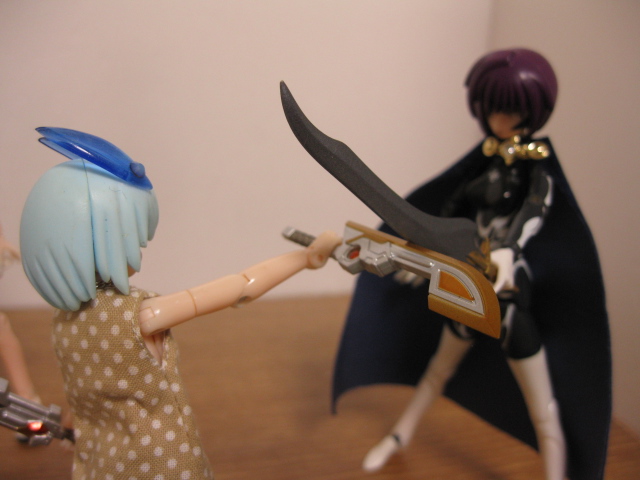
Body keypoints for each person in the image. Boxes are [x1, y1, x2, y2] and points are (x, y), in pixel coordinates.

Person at [332, 49, 610, 480]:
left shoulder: (535, 171)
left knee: (542, 406)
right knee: (436, 372)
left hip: (507, 295)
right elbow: (445, 214)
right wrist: (416, 250)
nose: (500, 119)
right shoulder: (482, 166)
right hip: (467, 285)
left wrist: (509, 249)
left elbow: (534, 210)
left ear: (533, 111)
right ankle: (399, 436)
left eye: (511, 109)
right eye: (492, 107)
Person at [20, 127, 341, 480]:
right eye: (133, 241)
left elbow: (81, 395)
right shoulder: (141, 315)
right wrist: (304, 258)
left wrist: (69, 425)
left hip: (99, 459)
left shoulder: (63, 322)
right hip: (158, 459)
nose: (139, 251)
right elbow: (242, 287)